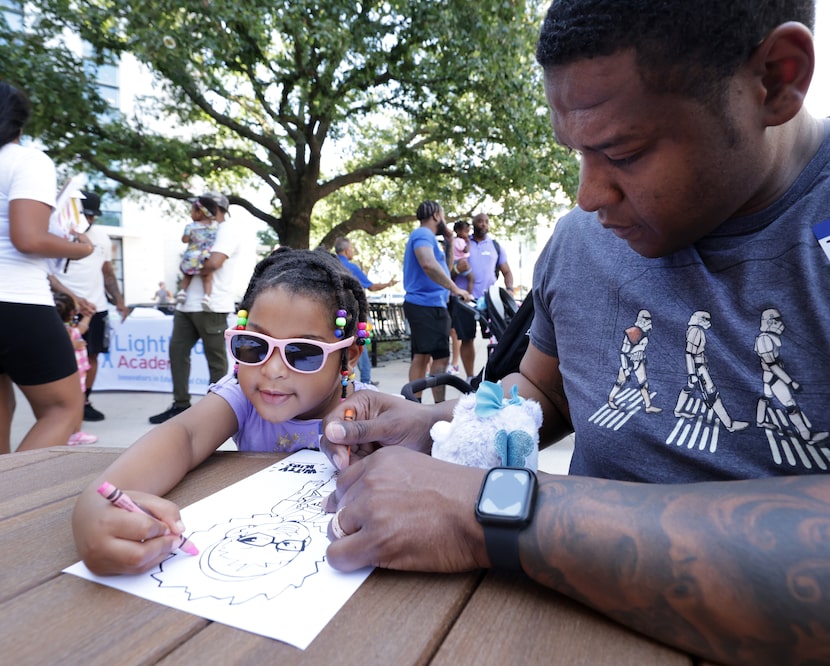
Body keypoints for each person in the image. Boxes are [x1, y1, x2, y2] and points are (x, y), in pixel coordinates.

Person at [316, 2, 830, 664]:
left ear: (776, 79)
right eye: (579, 153)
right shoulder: (583, 243)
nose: (587, 197)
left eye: (624, 152)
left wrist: (489, 512)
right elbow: (547, 390)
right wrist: (447, 426)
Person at [71, 248, 376, 574]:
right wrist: (91, 508)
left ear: (351, 356)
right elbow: (185, 436)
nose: (272, 370)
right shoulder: (243, 397)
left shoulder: (371, 417)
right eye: (254, 346)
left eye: (302, 353)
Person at [0, 81, 95, 454]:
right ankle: (11, 503)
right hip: (17, 300)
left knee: (2, 407)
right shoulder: (26, 160)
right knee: (63, 409)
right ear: (20, 122)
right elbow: (29, 237)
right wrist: (80, 248)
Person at [149, 191, 242, 423]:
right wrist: (189, 265)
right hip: (186, 304)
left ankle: (219, 411)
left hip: (212, 306)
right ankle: (180, 404)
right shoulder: (196, 227)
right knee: (177, 353)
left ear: (211, 208)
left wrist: (189, 266)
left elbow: (213, 264)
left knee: (216, 361)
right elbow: (189, 261)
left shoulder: (227, 230)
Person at [49, 190, 130, 422]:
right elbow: (48, 275)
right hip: (61, 306)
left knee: (91, 356)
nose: (90, 220)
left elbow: (107, 273)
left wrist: (120, 301)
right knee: (59, 354)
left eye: (93, 216)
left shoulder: (101, 237)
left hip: (96, 307)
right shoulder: (57, 234)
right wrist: (73, 300)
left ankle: (84, 401)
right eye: (85, 214)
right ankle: (61, 403)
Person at [402, 201, 472, 403]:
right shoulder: (423, 234)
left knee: (422, 356)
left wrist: (450, 241)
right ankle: (437, 407)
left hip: (427, 304)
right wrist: (455, 288)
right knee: (440, 357)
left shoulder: (429, 238)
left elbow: (445, 268)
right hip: (427, 305)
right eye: (443, 214)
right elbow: (428, 264)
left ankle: (414, 406)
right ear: (435, 215)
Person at [450, 212, 514, 381]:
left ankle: (491, 377)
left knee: (496, 339)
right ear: (473, 224)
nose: (483, 224)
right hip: (465, 300)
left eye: (486, 221)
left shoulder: (495, 245)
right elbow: (448, 275)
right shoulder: (462, 244)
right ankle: (470, 377)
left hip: (490, 300)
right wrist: (456, 270)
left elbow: (506, 272)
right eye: (480, 221)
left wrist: (509, 289)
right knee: (466, 338)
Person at [334, 236, 397, 385]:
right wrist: (389, 284)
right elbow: (371, 287)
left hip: (334, 314)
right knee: (358, 345)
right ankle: (365, 382)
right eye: (352, 248)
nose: (353, 251)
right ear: (346, 249)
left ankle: (343, 380)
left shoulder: (330, 264)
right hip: (353, 314)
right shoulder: (352, 267)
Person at [53, 293, 97, 445]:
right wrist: (75, 345)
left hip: (78, 372)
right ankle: (75, 433)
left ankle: (72, 432)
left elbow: (83, 328)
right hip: (74, 373)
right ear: (72, 313)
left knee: (73, 402)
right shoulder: (66, 330)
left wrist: (89, 315)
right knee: (77, 402)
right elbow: (65, 344)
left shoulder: (66, 328)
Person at [176, 196, 219, 311]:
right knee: (207, 277)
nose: (191, 215)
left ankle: (182, 292)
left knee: (187, 275)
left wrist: (190, 238)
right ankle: (206, 298)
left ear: (199, 212)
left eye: (192, 211)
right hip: (204, 256)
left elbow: (184, 240)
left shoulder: (190, 226)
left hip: (191, 255)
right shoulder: (214, 227)